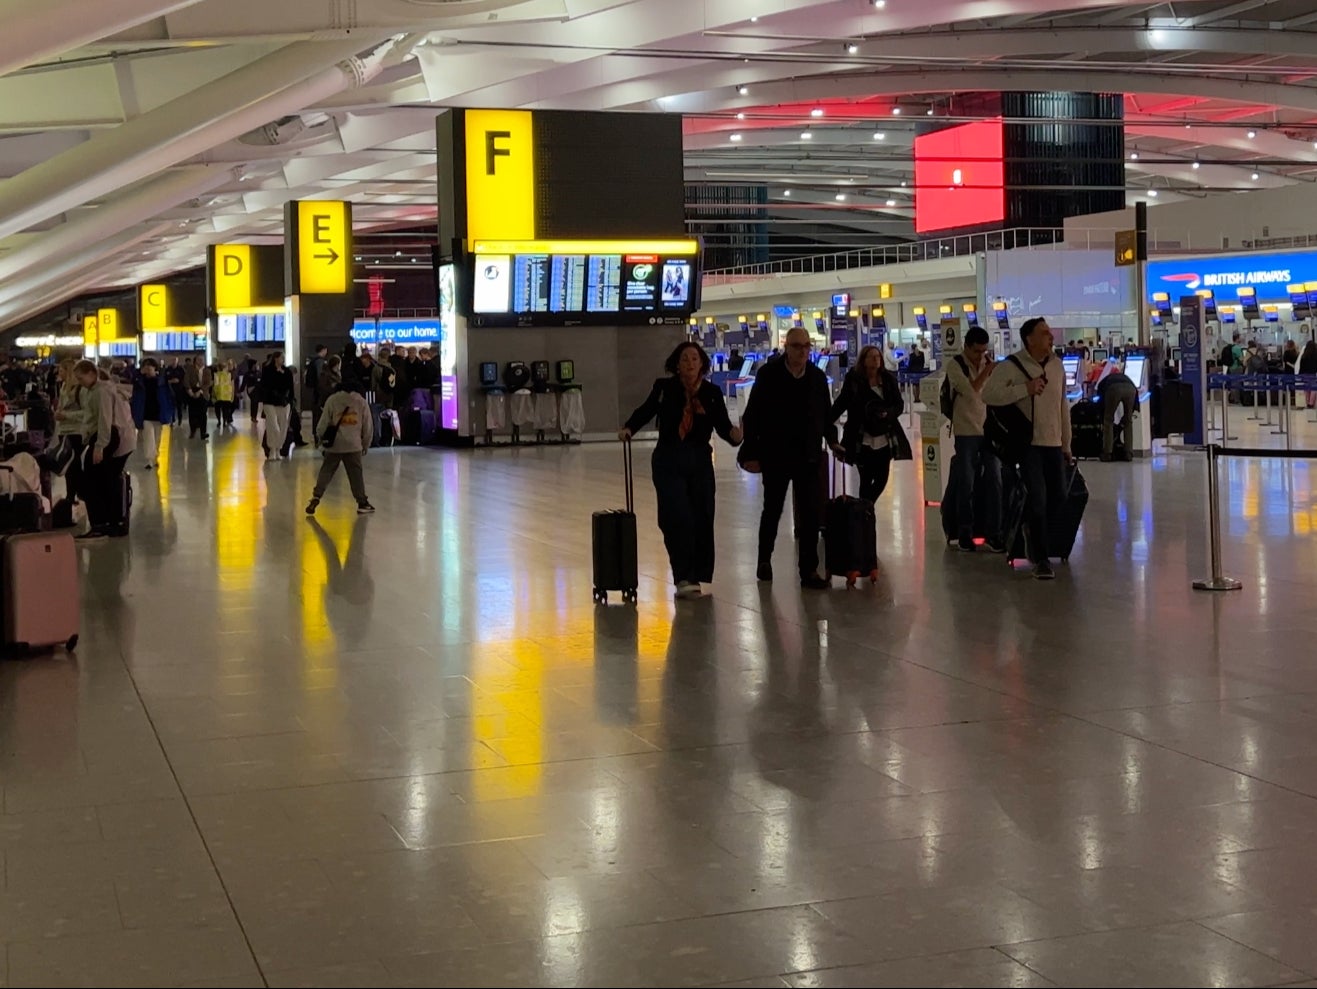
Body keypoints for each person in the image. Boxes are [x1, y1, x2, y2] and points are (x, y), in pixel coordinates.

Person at [618, 341, 742, 600]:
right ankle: (682, 575)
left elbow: (721, 424)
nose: (690, 364)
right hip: (668, 459)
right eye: (685, 359)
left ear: (702, 364)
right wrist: (630, 427)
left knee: (702, 515)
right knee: (676, 516)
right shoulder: (664, 389)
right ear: (677, 364)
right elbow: (646, 410)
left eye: (695, 359)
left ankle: (696, 574)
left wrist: (734, 436)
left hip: (699, 460)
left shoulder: (711, 392)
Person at [740, 326, 833, 589]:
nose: (802, 351)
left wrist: (834, 441)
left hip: (808, 455)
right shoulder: (768, 375)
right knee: (773, 509)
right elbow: (753, 415)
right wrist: (750, 451)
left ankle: (809, 571)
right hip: (776, 454)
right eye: (797, 346)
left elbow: (824, 415)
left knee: (811, 514)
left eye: (806, 347)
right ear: (786, 348)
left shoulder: (816, 377)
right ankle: (764, 560)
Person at [983, 316, 1073, 581]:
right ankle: (1041, 558)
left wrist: (1066, 444)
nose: (1050, 337)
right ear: (1029, 339)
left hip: (1053, 443)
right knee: (1038, 499)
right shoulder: (1012, 366)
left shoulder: (1056, 366)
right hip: (1028, 445)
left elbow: (1062, 406)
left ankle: (1030, 530)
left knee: (1058, 496)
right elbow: (989, 395)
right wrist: (1026, 388)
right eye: (1044, 333)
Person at [943, 327, 1004, 552]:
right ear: (967, 347)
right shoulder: (955, 365)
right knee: (965, 482)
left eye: (984, 351)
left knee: (995, 480)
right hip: (966, 431)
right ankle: (965, 532)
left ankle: (994, 533)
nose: (981, 355)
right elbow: (971, 391)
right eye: (977, 351)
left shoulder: (987, 364)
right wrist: (988, 369)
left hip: (988, 431)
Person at [829, 344, 905, 505]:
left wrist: (888, 414)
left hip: (883, 436)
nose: (876, 360)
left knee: (882, 479)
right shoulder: (854, 379)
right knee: (865, 478)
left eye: (878, 357)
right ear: (863, 360)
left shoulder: (888, 379)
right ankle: (866, 515)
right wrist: (826, 420)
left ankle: (865, 506)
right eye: (872, 356)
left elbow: (898, 404)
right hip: (861, 438)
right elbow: (843, 401)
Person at [76, 362, 136, 542]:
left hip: (111, 437)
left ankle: (102, 523)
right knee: (106, 480)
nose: (80, 382)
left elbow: (105, 419)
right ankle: (112, 522)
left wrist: (100, 446)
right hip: (119, 437)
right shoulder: (103, 389)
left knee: (97, 480)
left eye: (81, 378)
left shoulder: (102, 391)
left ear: (91, 374)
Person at [306, 383, 375, 516]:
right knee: (355, 474)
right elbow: (368, 426)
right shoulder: (361, 401)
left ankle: (316, 497)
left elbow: (322, 424)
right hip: (354, 445)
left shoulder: (332, 400)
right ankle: (362, 502)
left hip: (334, 445)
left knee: (326, 471)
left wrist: (321, 440)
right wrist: (365, 444)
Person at [130, 358, 174, 471]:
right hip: (145, 413)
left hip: (159, 412)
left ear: (155, 368)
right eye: (145, 366)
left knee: (158, 438)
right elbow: (132, 386)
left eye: (150, 366)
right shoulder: (139, 382)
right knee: (148, 437)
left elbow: (169, 396)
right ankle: (149, 459)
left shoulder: (161, 381)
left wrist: (169, 412)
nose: (148, 368)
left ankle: (155, 457)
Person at [1096, 360, 1137, 462]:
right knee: (1128, 421)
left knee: (1108, 420)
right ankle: (1128, 453)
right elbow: (1136, 400)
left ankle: (1107, 453)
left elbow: (1101, 402)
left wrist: (1101, 415)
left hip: (1114, 389)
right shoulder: (1124, 377)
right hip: (1131, 388)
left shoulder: (1103, 382)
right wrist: (1132, 411)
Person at [259, 352, 295, 460]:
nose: (283, 359)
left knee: (283, 426)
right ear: (275, 358)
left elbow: (290, 387)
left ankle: (278, 449)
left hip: (284, 402)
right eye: (281, 358)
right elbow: (266, 385)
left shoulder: (287, 371)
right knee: (273, 426)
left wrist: (290, 400)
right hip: (270, 401)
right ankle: (272, 449)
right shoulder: (267, 370)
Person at [317, 355, 343, 445]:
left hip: (335, 401)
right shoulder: (325, 375)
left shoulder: (337, 374)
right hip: (327, 401)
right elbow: (323, 388)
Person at [212, 360, 236, 428]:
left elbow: (215, 385)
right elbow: (232, 386)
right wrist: (232, 396)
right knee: (225, 409)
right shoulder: (230, 375)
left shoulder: (216, 375)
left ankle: (219, 421)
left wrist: (213, 395)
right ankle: (224, 421)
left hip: (218, 395)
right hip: (227, 395)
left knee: (217, 409)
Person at [165, 357, 187, 425]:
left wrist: (179, 381)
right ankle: (172, 419)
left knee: (179, 406)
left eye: (175, 360)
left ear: (177, 361)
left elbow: (184, 379)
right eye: (173, 360)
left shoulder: (181, 369)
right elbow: (165, 378)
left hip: (179, 390)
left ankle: (180, 419)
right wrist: (170, 381)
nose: (174, 361)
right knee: (171, 405)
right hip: (170, 390)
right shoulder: (168, 369)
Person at [1300, 340, 1317, 409]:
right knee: (1313, 389)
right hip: (1313, 374)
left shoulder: (1304, 355)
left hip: (1305, 375)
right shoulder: (1316, 355)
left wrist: (1300, 375)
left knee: (1306, 389)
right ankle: (1311, 403)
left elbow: (1302, 366)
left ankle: (1307, 402)